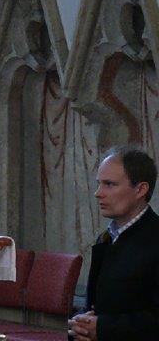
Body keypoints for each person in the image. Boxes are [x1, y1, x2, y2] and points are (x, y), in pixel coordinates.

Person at [68, 146, 159, 341]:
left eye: (109, 184)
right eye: (99, 184)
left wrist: (102, 329)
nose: (98, 193)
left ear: (140, 189)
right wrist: (80, 324)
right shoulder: (106, 238)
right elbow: (96, 305)